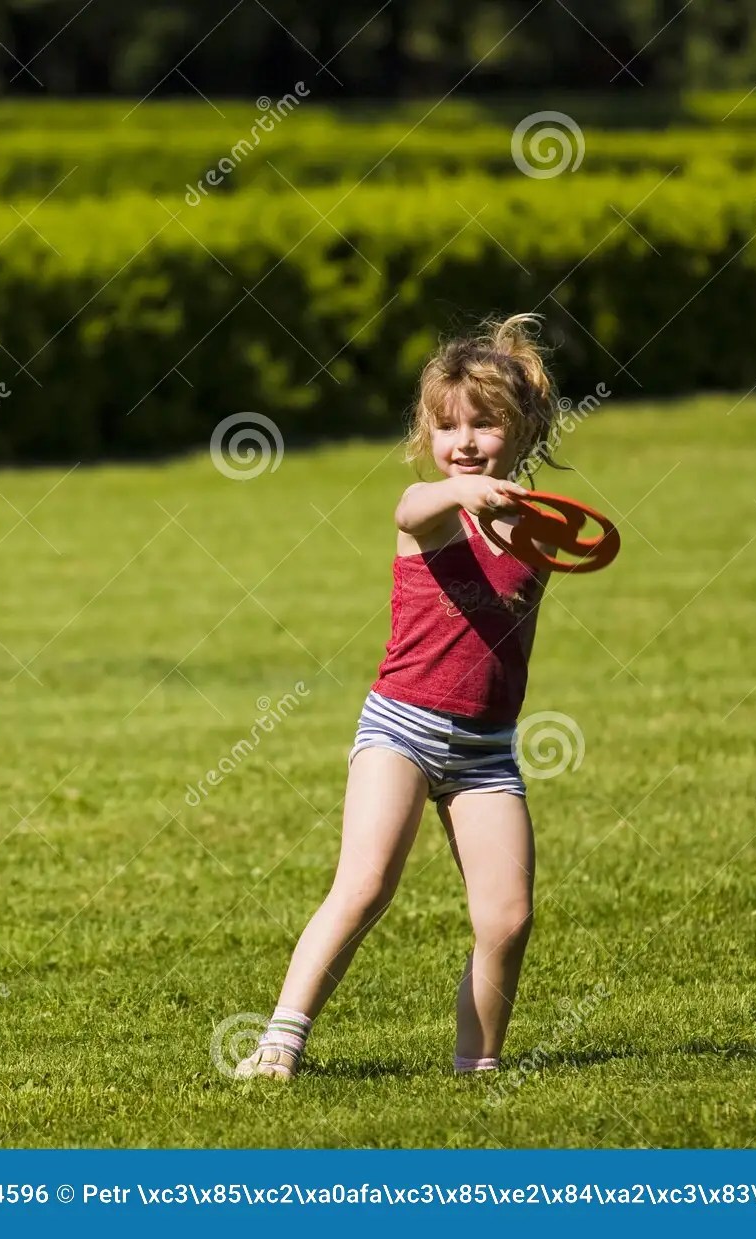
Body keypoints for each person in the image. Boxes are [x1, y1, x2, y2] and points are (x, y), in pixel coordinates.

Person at [237, 313, 566, 1080]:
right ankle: (279, 1042)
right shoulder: (432, 513)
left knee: (508, 918)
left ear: (522, 429)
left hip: (485, 748)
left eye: (485, 425)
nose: (465, 442)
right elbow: (409, 505)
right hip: (402, 727)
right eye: (448, 427)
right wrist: (468, 492)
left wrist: (517, 515)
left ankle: (475, 1065)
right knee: (364, 884)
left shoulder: (538, 533)